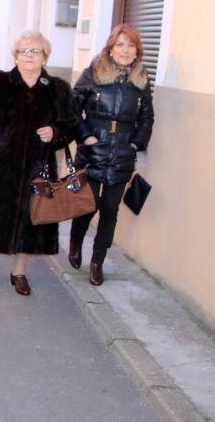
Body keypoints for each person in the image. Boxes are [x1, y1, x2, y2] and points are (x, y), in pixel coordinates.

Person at [0, 30, 80, 295]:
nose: (29, 56)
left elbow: (71, 125)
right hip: (0, 166)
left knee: (31, 219)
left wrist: (55, 133)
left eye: (35, 51)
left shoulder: (57, 89)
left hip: (39, 167)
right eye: (23, 51)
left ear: (44, 57)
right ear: (15, 55)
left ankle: (19, 272)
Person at [69, 23, 154, 286]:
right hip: (94, 148)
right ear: (111, 47)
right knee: (87, 203)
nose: (125, 50)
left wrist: (134, 144)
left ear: (137, 50)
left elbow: (147, 117)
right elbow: (72, 108)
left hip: (121, 153)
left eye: (131, 46)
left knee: (109, 209)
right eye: (120, 45)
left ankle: (97, 262)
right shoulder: (93, 72)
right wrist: (87, 136)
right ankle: (75, 244)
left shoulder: (141, 79)